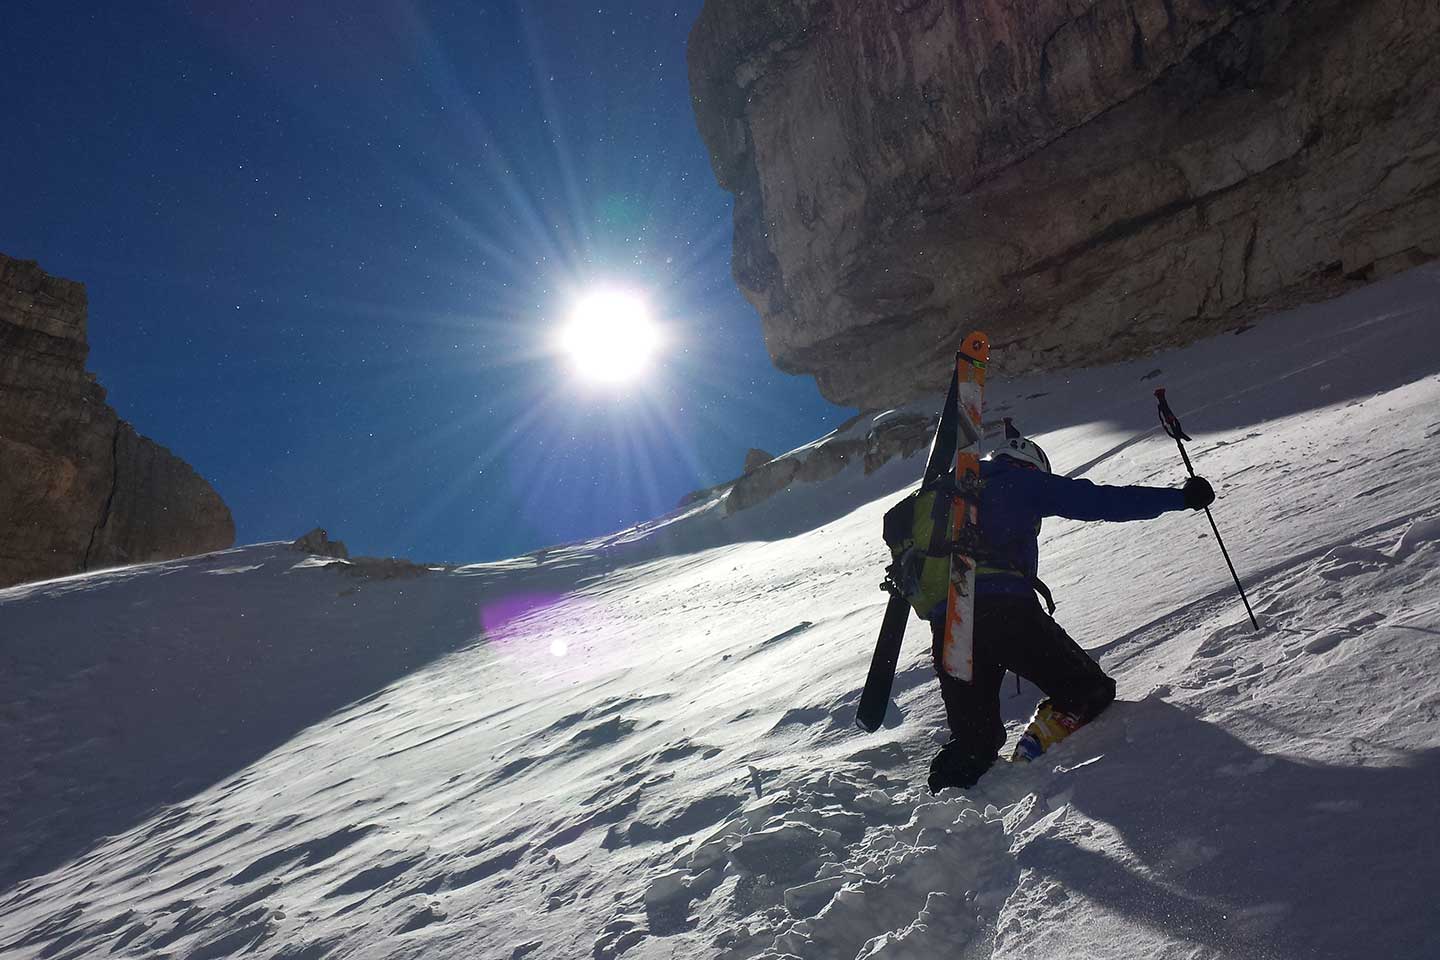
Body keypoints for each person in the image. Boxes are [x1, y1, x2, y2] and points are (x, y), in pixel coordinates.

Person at [927, 420, 1215, 793]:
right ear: (1031, 464)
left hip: (949, 623)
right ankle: (1038, 744)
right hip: (1005, 612)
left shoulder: (949, 498)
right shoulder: (1019, 480)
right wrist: (1179, 498)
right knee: (1087, 689)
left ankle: (945, 811)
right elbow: (1101, 501)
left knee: (973, 741)